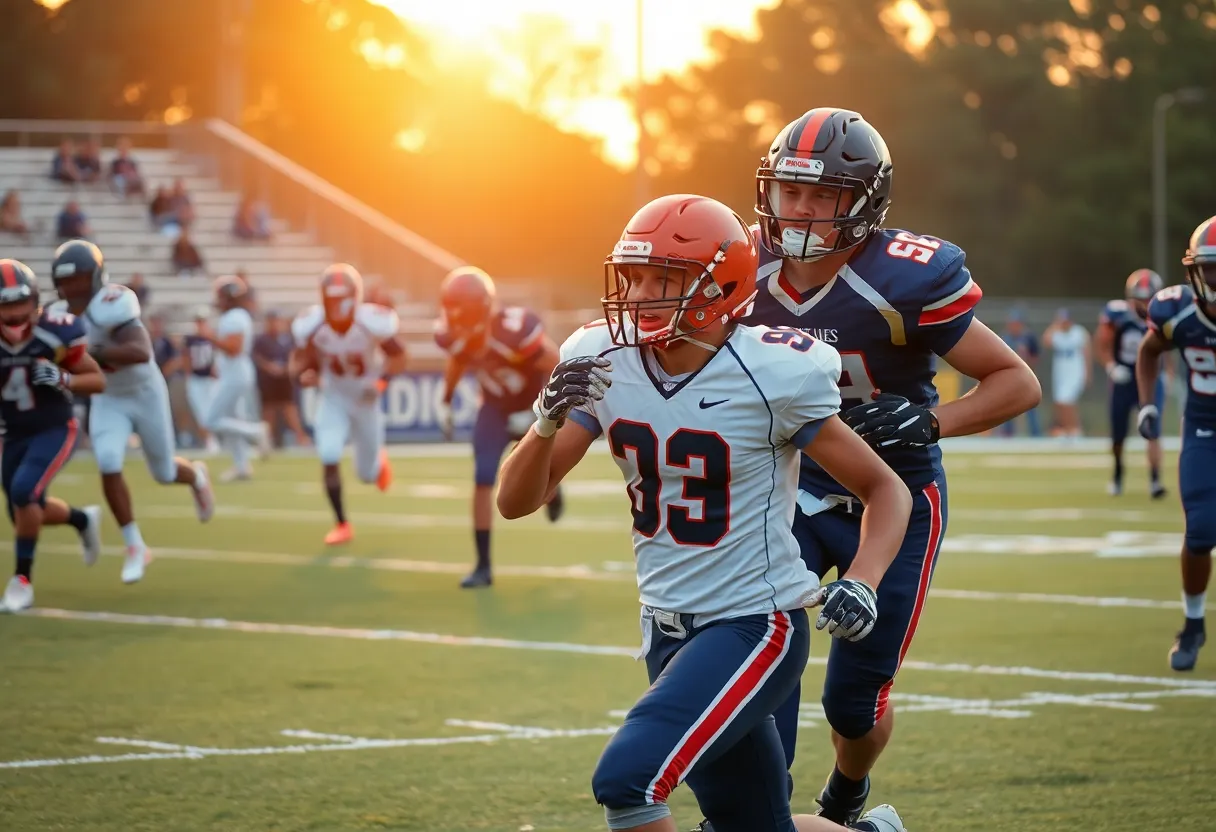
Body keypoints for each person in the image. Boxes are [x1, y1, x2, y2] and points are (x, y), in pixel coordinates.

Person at [497, 194, 911, 832]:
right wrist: (545, 423)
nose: (637, 294)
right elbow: (517, 501)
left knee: (627, 782)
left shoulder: (773, 371)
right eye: (633, 276)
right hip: (665, 629)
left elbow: (887, 490)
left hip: (752, 625)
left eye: (662, 279)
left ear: (720, 287)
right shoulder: (603, 357)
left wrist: (862, 577)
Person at [734, 107, 1040, 827]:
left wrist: (934, 419)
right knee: (758, 662)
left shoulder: (905, 277)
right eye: (790, 191)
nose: (801, 209)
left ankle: (845, 799)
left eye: (823, 195)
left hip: (898, 498)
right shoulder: (744, 266)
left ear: (865, 200)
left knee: (852, 703)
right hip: (792, 494)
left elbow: (1015, 382)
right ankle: (761, 810)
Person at [50, 241, 215, 585]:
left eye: (80, 280)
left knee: (164, 472)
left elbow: (140, 350)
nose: (74, 289)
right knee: (108, 461)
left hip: (145, 393)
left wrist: (87, 352)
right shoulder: (59, 316)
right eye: (68, 283)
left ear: (94, 278)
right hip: (108, 396)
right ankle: (135, 545)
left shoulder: (112, 303)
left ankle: (197, 477)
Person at [434, 266, 564, 588]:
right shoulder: (453, 334)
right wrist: (446, 400)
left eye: (460, 315)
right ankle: (483, 565)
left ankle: (553, 488)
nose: (455, 323)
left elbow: (558, 364)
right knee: (482, 477)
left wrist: (541, 412)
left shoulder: (513, 331)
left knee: (540, 473)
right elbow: (457, 358)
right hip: (493, 406)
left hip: (531, 405)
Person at [0, 259, 106, 613]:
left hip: (55, 426)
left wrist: (65, 379)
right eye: (6, 306)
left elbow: (97, 380)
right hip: (12, 432)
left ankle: (22, 580)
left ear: (35, 301)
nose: (15, 315)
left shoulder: (54, 332)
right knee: (24, 511)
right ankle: (82, 519)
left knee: (24, 492)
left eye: (21, 304)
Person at [1137, 214, 1216, 672]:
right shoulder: (1178, 313)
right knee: (1202, 530)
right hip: (1205, 425)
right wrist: (1148, 405)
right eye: (1213, 271)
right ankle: (1193, 621)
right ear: (1194, 272)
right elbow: (1149, 353)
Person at [289, 265, 406, 544]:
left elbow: (400, 356)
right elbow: (301, 359)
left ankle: (378, 463)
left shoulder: (372, 320)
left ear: (355, 297)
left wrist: (381, 382)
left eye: (343, 299)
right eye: (332, 300)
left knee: (366, 475)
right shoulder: (312, 324)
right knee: (328, 453)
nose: (338, 306)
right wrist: (304, 374)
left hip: (366, 400)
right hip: (334, 397)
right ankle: (342, 524)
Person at [1096, 269, 1167, 497]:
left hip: (1149, 377)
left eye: (1149, 298)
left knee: (1152, 430)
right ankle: (1117, 475)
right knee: (1118, 434)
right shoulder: (1117, 315)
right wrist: (1111, 367)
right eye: (1141, 297)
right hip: (1124, 377)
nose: (1145, 303)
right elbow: (1102, 343)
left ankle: (1155, 481)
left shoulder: (1163, 314)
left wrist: (1169, 372)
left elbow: (1169, 347)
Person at [198, 275, 270, 481]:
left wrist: (209, 336)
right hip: (233, 372)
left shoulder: (235, 317)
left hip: (235, 374)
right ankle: (242, 466)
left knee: (211, 420)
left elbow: (233, 348)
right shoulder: (235, 316)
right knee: (230, 420)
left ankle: (255, 432)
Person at [255, 310, 310, 449]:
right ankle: (268, 440)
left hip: (285, 379)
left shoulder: (287, 339)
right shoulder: (261, 340)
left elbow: (295, 355)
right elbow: (257, 358)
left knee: (289, 408)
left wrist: (288, 369)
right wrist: (270, 367)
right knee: (269, 410)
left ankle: (301, 438)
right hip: (268, 380)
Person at [1043, 308, 1090, 437]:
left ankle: (1075, 429)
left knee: (1069, 401)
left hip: (1075, 371)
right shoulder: (1057, 333)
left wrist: (1087, 373)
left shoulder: (1079, 332)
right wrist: (1054, 326)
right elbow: (1046, 341)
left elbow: (1087, 353)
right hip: (1060, 373)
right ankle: (1066, 429)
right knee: (1060, 402)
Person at [999, 310, 1042, 437]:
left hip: (1025, 377)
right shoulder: (1004, 338)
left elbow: (1036, 357)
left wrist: (1027, 361)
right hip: (1009, 378)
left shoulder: (1028, 337)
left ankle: (1036, 435)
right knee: (1007, 406)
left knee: (1030, 405)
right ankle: (1007, 434)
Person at [182, 309, 219, 452]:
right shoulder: (190, 339)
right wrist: (188, 375)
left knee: (212, 410)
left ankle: (214, 439)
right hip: (196, 379)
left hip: (210, 380)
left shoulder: (211, 337)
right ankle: (209, 441)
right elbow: (186, 357)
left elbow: (217, 355)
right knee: (201, 412)